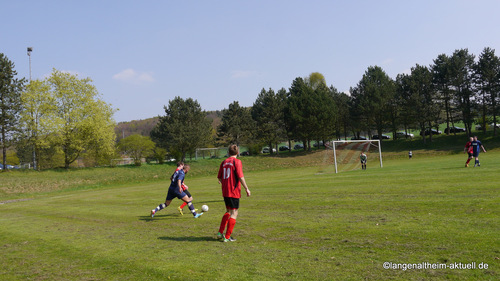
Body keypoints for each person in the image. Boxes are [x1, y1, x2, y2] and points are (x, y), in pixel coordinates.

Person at [216, 144, 251, 242]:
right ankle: (227, 237)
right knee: (234, 213)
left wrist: (225, 182)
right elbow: (240, 176)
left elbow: (219, 177)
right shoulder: (237, 162)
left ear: (228, 152)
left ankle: (220, 233)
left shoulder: (223, 162)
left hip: (225, 191)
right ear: (237, 152)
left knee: (228, 211)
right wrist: (246, 188)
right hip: (233, 191)